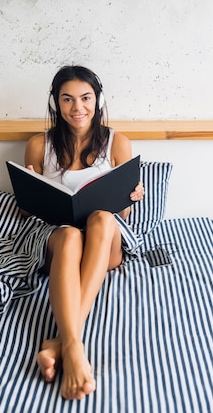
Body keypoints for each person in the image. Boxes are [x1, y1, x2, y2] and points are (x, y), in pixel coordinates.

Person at [24, 65, 144, 400]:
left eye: (85, 98)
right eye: (68, 99)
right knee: (69, 235)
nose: (78, 107)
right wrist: (31, 187)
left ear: (98, 99)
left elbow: (123, 213)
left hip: (105, 244)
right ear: (56, 103)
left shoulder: (117, 142)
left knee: (103, 220)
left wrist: (131, 196)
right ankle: (68, 346)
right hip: (59, 240)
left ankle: (66, 343)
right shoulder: (38, 145)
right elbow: (25, 212)